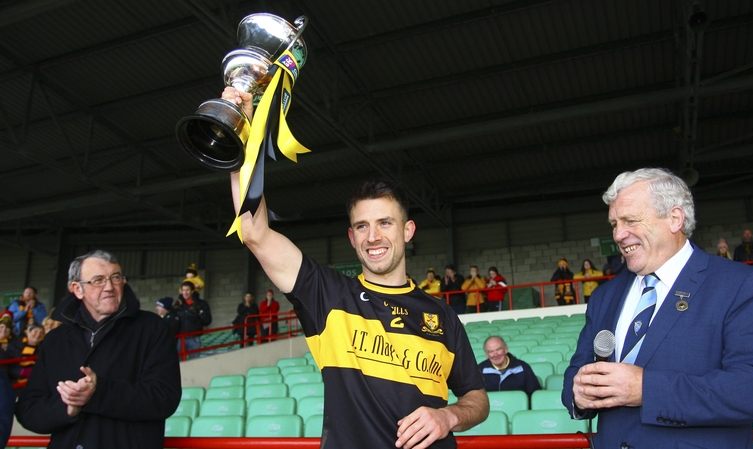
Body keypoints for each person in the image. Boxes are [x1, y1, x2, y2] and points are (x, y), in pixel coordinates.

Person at [225, 86, 487, 449]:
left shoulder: (442, 316)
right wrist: (244, 129)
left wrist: (449, 416)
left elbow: (478, 399)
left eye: (385, 223)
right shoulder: (327, 294)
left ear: (408, 230)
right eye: (362, 226)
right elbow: (254, 232)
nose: (373, 236)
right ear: (351, 236)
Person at [563, 168, 753, 449]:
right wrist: (578, 395)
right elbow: (576, 371)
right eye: (614, 224)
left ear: (674, 219)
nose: (619, 235)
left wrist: (646, 389)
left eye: (630, 220)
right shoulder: (605, 296)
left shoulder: (740, 284)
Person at [16, 249, 182, 449]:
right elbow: (28, 410)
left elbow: (164, 398)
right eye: (98, 280)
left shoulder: (152, 328)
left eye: (116, 277)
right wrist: (67, 408)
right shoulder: (55, 340)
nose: (110, 287)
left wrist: (98, 392)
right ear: (78, 289)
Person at [478, 336, 541, 400]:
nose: (495, 355)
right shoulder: (479, 370)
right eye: (491, 352)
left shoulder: (523, 368)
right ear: (486, 354)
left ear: (506, 349)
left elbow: (535, 396)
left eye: (498, 349)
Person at [174, 281, 212, 358]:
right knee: (178, 364)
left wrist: (199, 311)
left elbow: (207, 321)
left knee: (195, 363)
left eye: (187, 290)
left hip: (194, 338)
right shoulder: (178, 304)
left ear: (192, 291)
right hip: (179, 338)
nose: (185, 292)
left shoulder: (201, 304)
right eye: (183, 290)